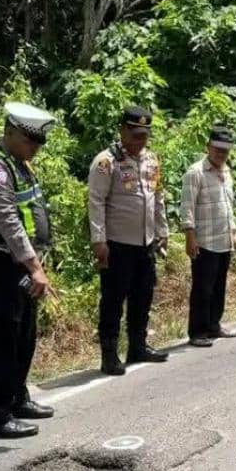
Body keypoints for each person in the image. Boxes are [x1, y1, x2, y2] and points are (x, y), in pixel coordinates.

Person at [0, 102, 58, 439]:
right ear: (9, 133)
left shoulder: (20, 166)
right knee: (1, 339)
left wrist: (38, 261)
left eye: (38, 143)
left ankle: (17, 397)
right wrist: (35, 266)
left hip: (25, 264)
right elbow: (9, 224)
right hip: (2, 265)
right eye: (29, 141)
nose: (34, 148)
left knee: (24, 334)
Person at [88, 105, 171, 375]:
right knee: (113, 299)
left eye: (144, 135)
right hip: (117, 244)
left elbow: (158, 198)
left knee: (143, 295)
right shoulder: (106, 162)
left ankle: (138, 345)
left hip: (145, 243)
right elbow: (96, 201)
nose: (140, 141)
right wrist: (98, 240)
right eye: (135, 134)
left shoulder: (151, 160)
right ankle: (109, 354)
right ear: (122, 130)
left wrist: (163, 231)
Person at [181, 125, 236, 347]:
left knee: (218, 285)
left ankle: (214, 325)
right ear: (208, 147)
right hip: (204, 240)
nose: (221, 154)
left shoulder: (226, 171)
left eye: (225, 151)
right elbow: (187, 206)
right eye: (217, 149)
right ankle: (197, 332)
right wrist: (190, 235)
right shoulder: (195, 172)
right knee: (202, 288)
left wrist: (234, 230)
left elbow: (228, 205)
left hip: (223, 238)